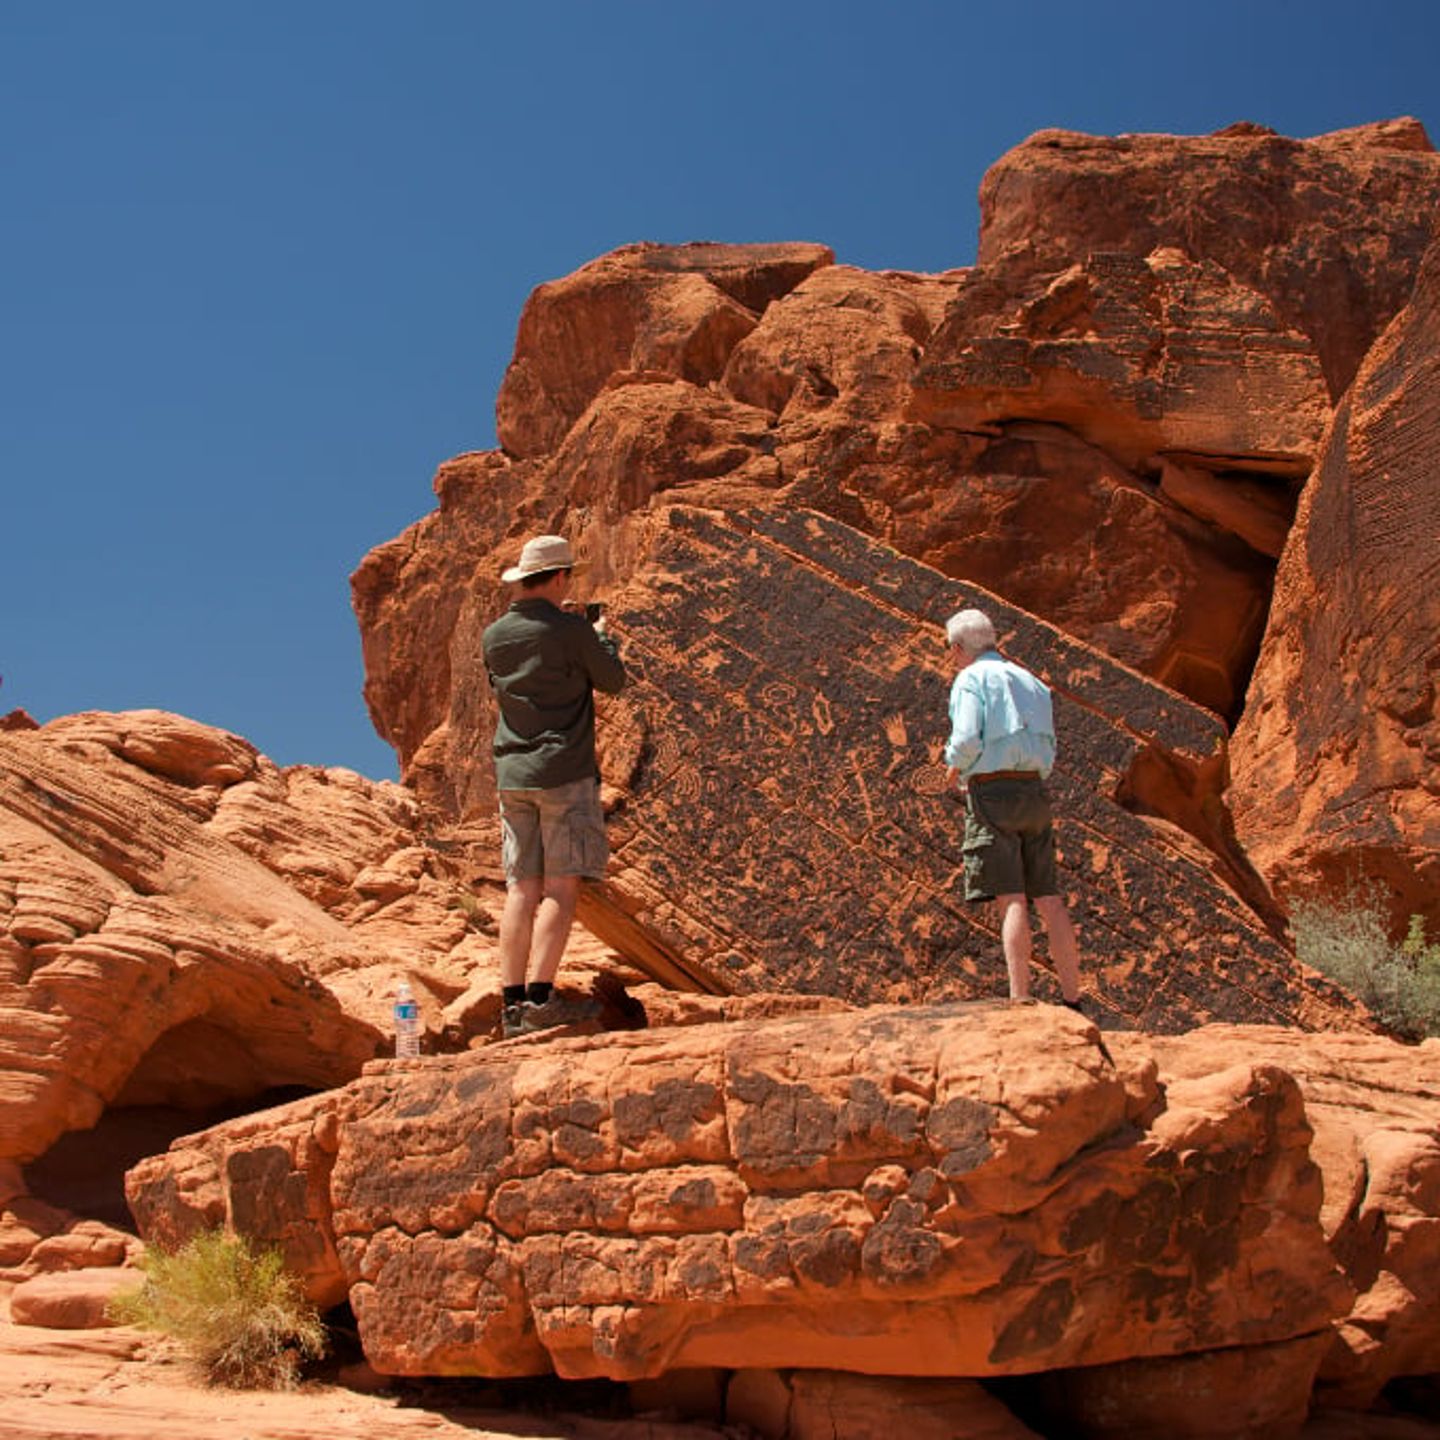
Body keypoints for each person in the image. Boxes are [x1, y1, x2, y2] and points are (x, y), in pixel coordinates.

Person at [483, 534, 626, 1037]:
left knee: (522, 887)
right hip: (564, 770)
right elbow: (612, 680)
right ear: (561, 577)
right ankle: (543, 999)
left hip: (512, 775)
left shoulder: (494, 636)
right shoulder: (572, 630)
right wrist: (598, 635)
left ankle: (513, 1005)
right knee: (562, 886)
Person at [943, 608, 1083, 1009]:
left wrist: (954, 766)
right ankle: (1072, 998)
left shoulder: (970, 679)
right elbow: (1051, 746)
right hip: (1034, 791)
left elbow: (968, 738)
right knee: (1049, 898)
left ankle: (1020, 997)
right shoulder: (1031, 682)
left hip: (993, 793)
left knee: (1012, 897)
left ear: (958, 647)